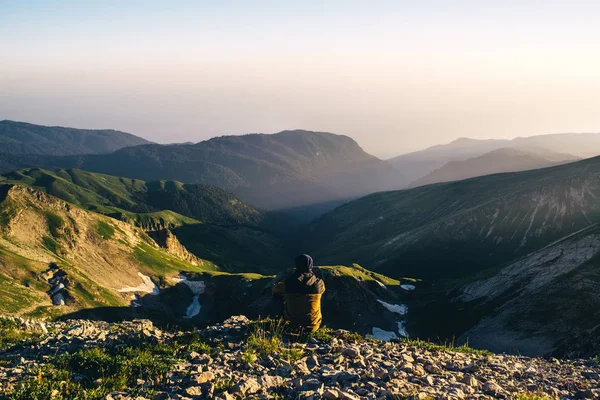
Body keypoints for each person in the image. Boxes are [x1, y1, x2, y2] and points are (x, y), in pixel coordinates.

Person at [272, 254, 326, 332]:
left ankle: (279, 321)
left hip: (292, 325)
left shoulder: (289, 283)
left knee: (277, 296)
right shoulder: (319, 283)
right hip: (314, 326)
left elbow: (274, 289)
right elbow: (323, 290)